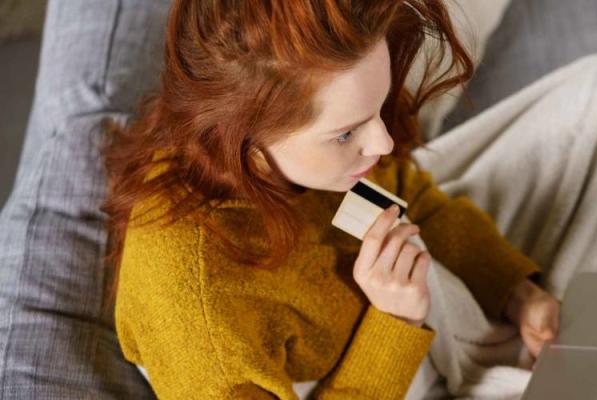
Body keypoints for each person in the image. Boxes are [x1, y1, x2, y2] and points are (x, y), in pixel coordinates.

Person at [102, 1, 560, 399]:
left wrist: (518, 294)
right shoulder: (194, 304)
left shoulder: (304, 147)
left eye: (377, 109)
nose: (381, 142)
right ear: (244, 135)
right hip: (386, 372)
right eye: (345, 133)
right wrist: (394, 324)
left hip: (438, 309)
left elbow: (410, 193)